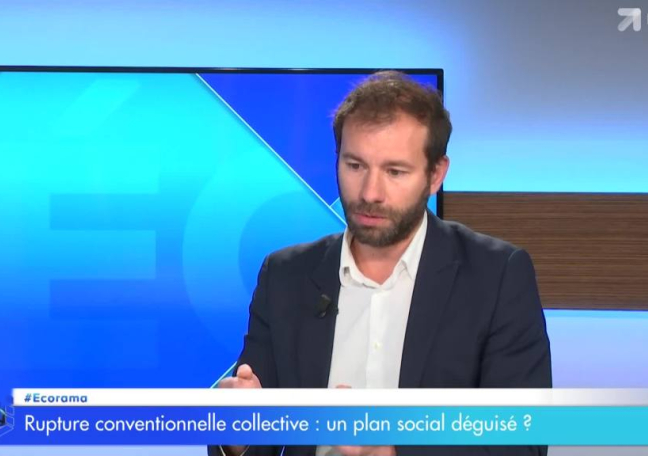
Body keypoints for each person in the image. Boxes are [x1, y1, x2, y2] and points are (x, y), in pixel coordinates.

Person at [209, 71, 552, 456]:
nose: (370, 193)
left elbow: (522, 442)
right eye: (355, 166)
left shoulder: (497, 277)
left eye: (394, 171)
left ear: (436, 174)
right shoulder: (285, 276)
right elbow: (256, 440)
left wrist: (394, 450)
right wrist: (237, 434)